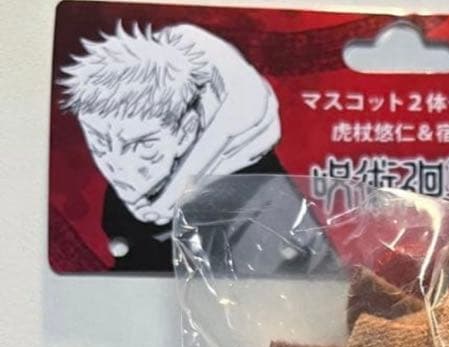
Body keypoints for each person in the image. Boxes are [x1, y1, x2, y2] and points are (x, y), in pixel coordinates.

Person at [60, 21, 285, 271]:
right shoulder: (134, 191)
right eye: (100, 143)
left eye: (142, 145)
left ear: (187, 131)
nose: (117, 165)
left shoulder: (258, 206)